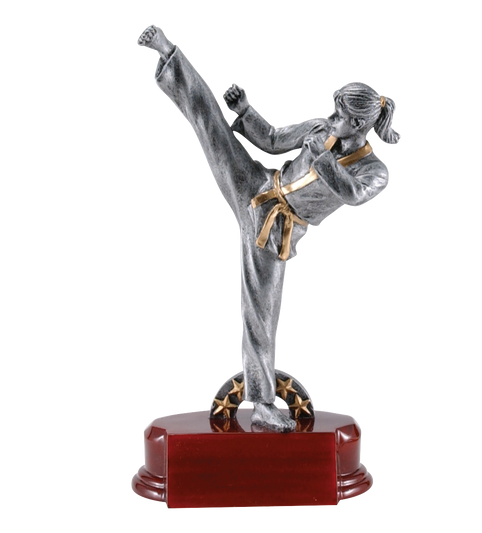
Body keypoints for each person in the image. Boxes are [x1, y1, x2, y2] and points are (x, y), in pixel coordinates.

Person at [135, 23, 402, 431]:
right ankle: (169, 55)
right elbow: (273, 139)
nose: (330, 118)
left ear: (359, 124)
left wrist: (323, 161)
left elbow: (352, 194)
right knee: (212, 127)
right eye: (331, 110)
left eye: (339, 116)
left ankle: (261, 403)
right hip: (256, 185)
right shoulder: (321, 129)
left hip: (276, 232)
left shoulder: (375, 171)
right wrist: (245, 111)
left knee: (259, 315)